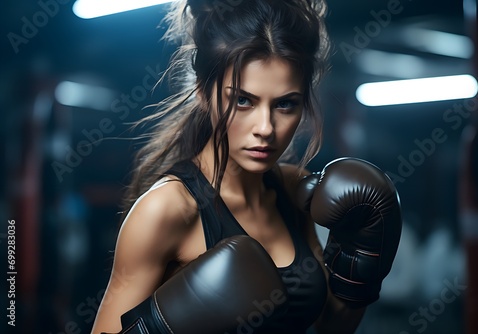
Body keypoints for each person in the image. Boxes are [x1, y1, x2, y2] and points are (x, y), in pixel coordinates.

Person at [91, 1, 402, 333]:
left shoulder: (294, 190)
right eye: (243, 100)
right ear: (202, 92)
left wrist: (358, 268)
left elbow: (331, 328)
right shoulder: (165, 210)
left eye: (285, 104)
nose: (266, 128)